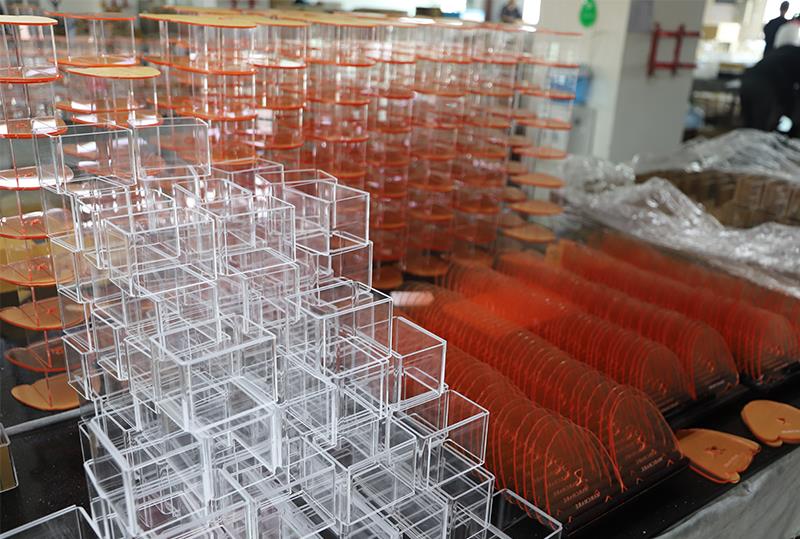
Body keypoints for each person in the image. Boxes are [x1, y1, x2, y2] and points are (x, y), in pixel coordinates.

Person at [740, 45, 800, 135]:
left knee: (749, 124)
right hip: (764, 86)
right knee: (759, 127)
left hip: (748, 80)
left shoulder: (788, 49)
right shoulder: (793, 54)